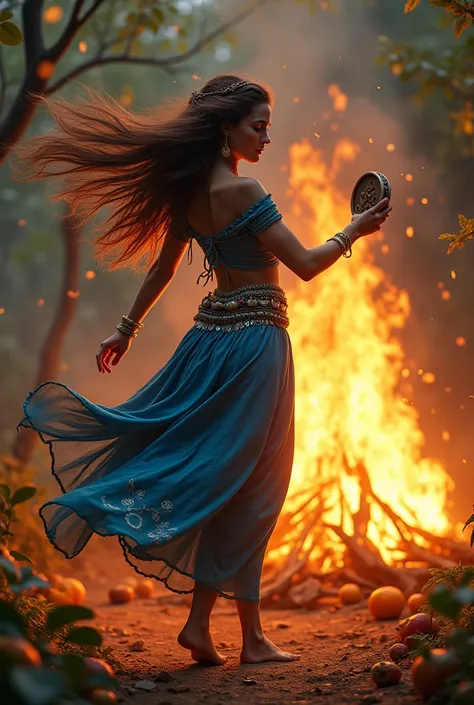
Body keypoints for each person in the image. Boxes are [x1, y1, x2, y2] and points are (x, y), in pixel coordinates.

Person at [15, 75, 391, 667]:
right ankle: (249, 638)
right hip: (255, 348)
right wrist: (356, 229)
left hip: (207, 341)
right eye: (257, 127)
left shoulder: (188, 193)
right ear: (225, 128)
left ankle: (207, 627)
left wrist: (126, 327)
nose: (266, 138)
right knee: (257, 485)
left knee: (228, 478)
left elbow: (162, 270)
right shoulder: (245, 192)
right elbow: (308, 266)